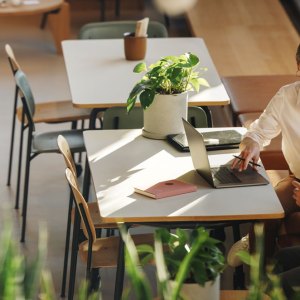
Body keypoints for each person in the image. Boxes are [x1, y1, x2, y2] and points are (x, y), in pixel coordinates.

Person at [227, 43, 300, 267]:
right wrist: (252, 144)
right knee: (266, 209)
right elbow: (258, 131)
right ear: (299, 66)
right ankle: (260, 280)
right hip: (297, 181)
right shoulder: (287, 95)